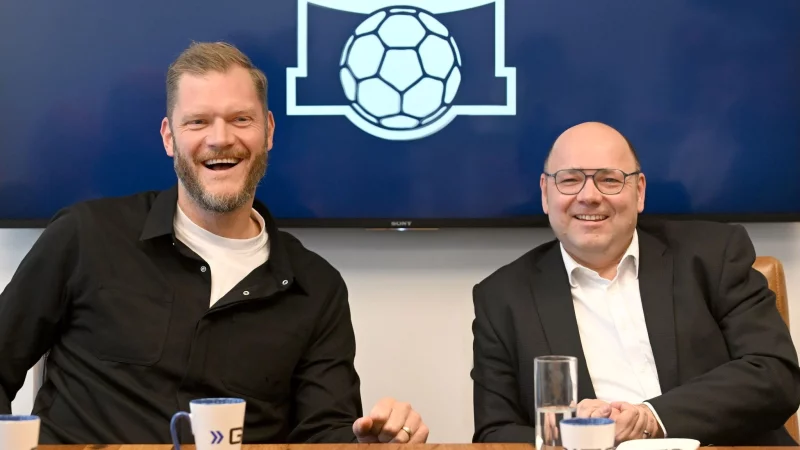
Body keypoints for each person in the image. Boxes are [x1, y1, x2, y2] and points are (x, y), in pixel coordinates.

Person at [0, 41, 429, 445]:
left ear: (268, 131)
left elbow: (321, 434)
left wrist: (367, 442)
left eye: (240, 119)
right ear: (169, 137)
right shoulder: (84, 236)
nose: (220, 138)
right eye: (198, 121)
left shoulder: (317, 287)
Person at [470, 121, 800, 446]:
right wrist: (574, 435)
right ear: (545, 194)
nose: (589, 196)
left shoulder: (713, 255)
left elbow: (775, 374)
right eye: (569, 180)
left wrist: (650, 418)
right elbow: (495, 433)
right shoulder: (502, 299)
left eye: (609, 180)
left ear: (639, 191)